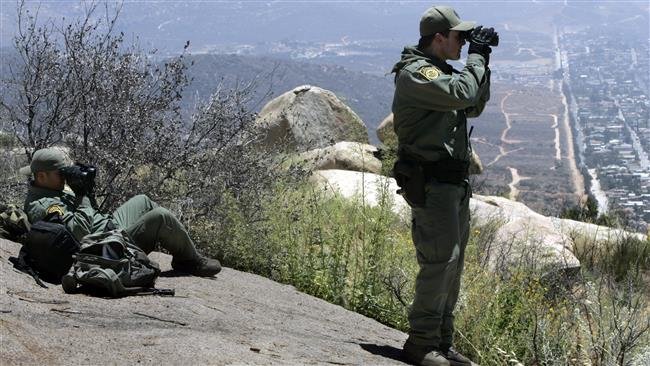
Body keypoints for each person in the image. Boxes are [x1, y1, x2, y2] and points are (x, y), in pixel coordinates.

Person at [391, 5, 496, 366]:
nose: (463, 43)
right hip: (431, 184)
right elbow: (463, 94)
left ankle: (442, 342)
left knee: (454, 265)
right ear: (439, 38)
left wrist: (484, 62)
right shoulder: (415, 75)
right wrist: (477, 59)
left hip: (453, 184)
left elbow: (474, 104)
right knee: (440, 262)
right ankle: (421, 343)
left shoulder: (442, 73)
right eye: (458, 37)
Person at [20, 147, 221, 277]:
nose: (65, 178)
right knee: (161, 217)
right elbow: (78, 233)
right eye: (61, 173)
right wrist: (81, 195)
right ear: (42, 175)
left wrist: (86, 189)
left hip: (107, 228)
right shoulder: (42, 204)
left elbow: (93, 212)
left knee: (142, 200)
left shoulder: (54, 190)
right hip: (103, 246)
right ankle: (190, 261)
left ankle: (184, 253)